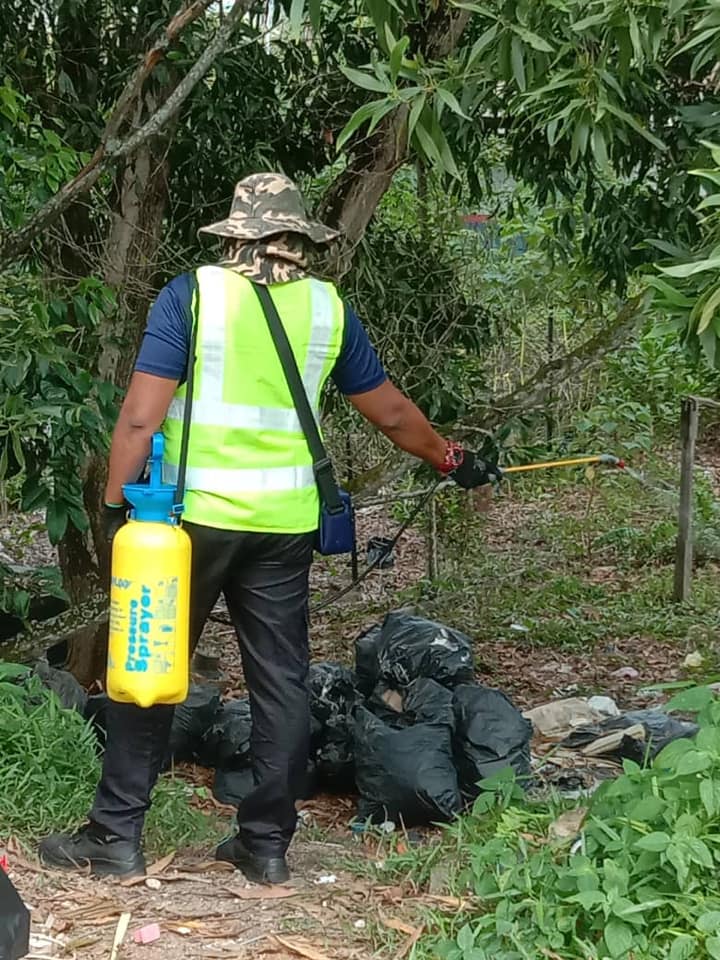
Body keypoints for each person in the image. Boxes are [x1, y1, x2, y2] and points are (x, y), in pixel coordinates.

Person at [39, 173, 501, 883]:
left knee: (147, 668)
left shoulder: (193, 296)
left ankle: (115, 837)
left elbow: (139, 417)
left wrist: (113, 511)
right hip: (284, 527)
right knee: (281, 685)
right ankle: (265, 844)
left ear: (234, 237)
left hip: (187, 526)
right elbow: (391, 412)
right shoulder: (326, 309)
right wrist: (450, 457)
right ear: (299, 240)